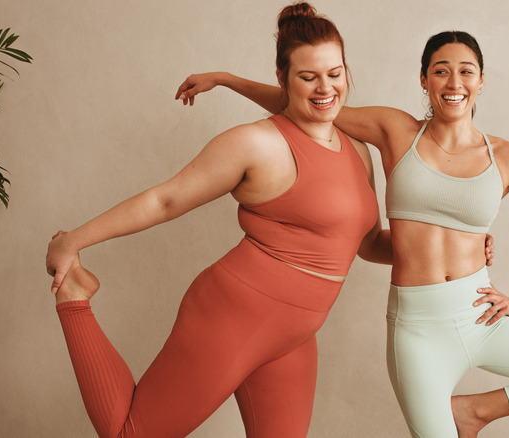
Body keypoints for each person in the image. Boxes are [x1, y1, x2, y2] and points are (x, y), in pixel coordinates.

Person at [176, 29, 509, 438]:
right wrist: (228, 79)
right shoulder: (396, 131)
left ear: (481, 81)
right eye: (440, 71)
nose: (453, 83)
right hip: (417, 330)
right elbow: (308, 105)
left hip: (481, 316)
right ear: (423, 80)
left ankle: (474, 412)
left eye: (465, 72)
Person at [45, 4, 396, 437]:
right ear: (283, 78)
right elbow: (165, 200)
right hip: (235, 315)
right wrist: (72, 242)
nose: (326, 87)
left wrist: (462, 247)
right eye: (309, 77)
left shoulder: (357, 150)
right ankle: (75, 300)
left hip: (295, 335)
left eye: (335, 73)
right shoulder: (256, 143)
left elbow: (369, 243)